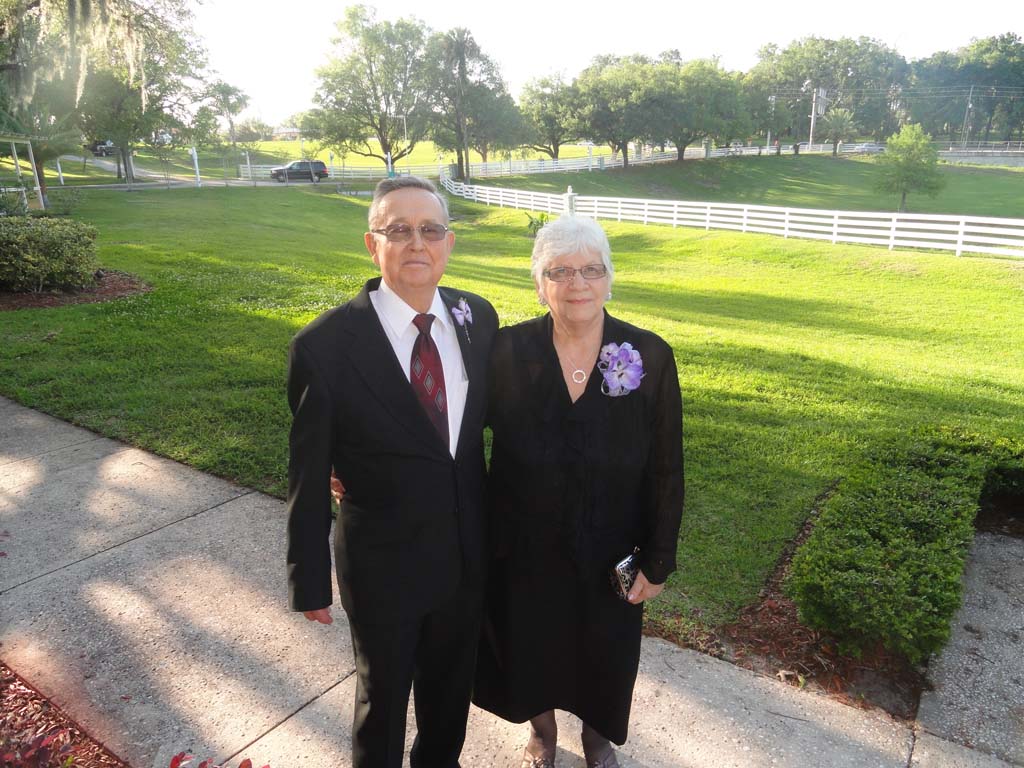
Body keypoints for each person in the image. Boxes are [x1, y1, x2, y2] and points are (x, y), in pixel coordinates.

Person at [286, 175, 498, 768]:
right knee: (381, 703)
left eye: (430, 230)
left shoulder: (477, 318)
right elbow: (307, 471)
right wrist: (309, 578)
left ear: (449, 243)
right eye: (398, 230)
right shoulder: (324, 346)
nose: (416, 244)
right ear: (371, 244)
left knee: (449, 698)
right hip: (383, 565)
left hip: (465, 555)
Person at [474, 215, 684, 768]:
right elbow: (456, 434)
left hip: (612, 547)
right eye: (559, 271)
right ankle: (542, 733)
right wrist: (361, 466)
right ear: (538, 284)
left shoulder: (649, 356)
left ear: (610, 279)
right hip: (522, 545)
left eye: (591, 270)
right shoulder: (506, 351)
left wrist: (659, 558)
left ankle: (597, 738)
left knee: (605, 654)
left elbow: (667, 466)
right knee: (528, 646)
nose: (577, 284)